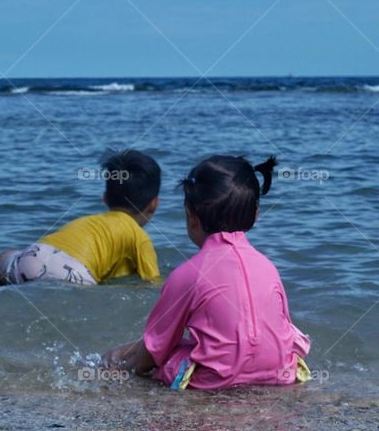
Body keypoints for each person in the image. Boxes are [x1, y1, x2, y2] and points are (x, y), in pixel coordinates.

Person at [102, 154, 310, 390]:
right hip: (280, 374)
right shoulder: (268, 267)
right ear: (255, 215)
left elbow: (154, 350)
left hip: (216, 381)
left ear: (191, 217)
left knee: (163, 355)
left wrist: (130, 367)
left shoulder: (188, 274)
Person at [0, 149, 161, 287]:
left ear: (105, 198)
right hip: (73, 273)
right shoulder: (140, 238)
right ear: (154, 204)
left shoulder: (89, 222)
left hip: (34, 255)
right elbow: (151, 284)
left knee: (5, 256)